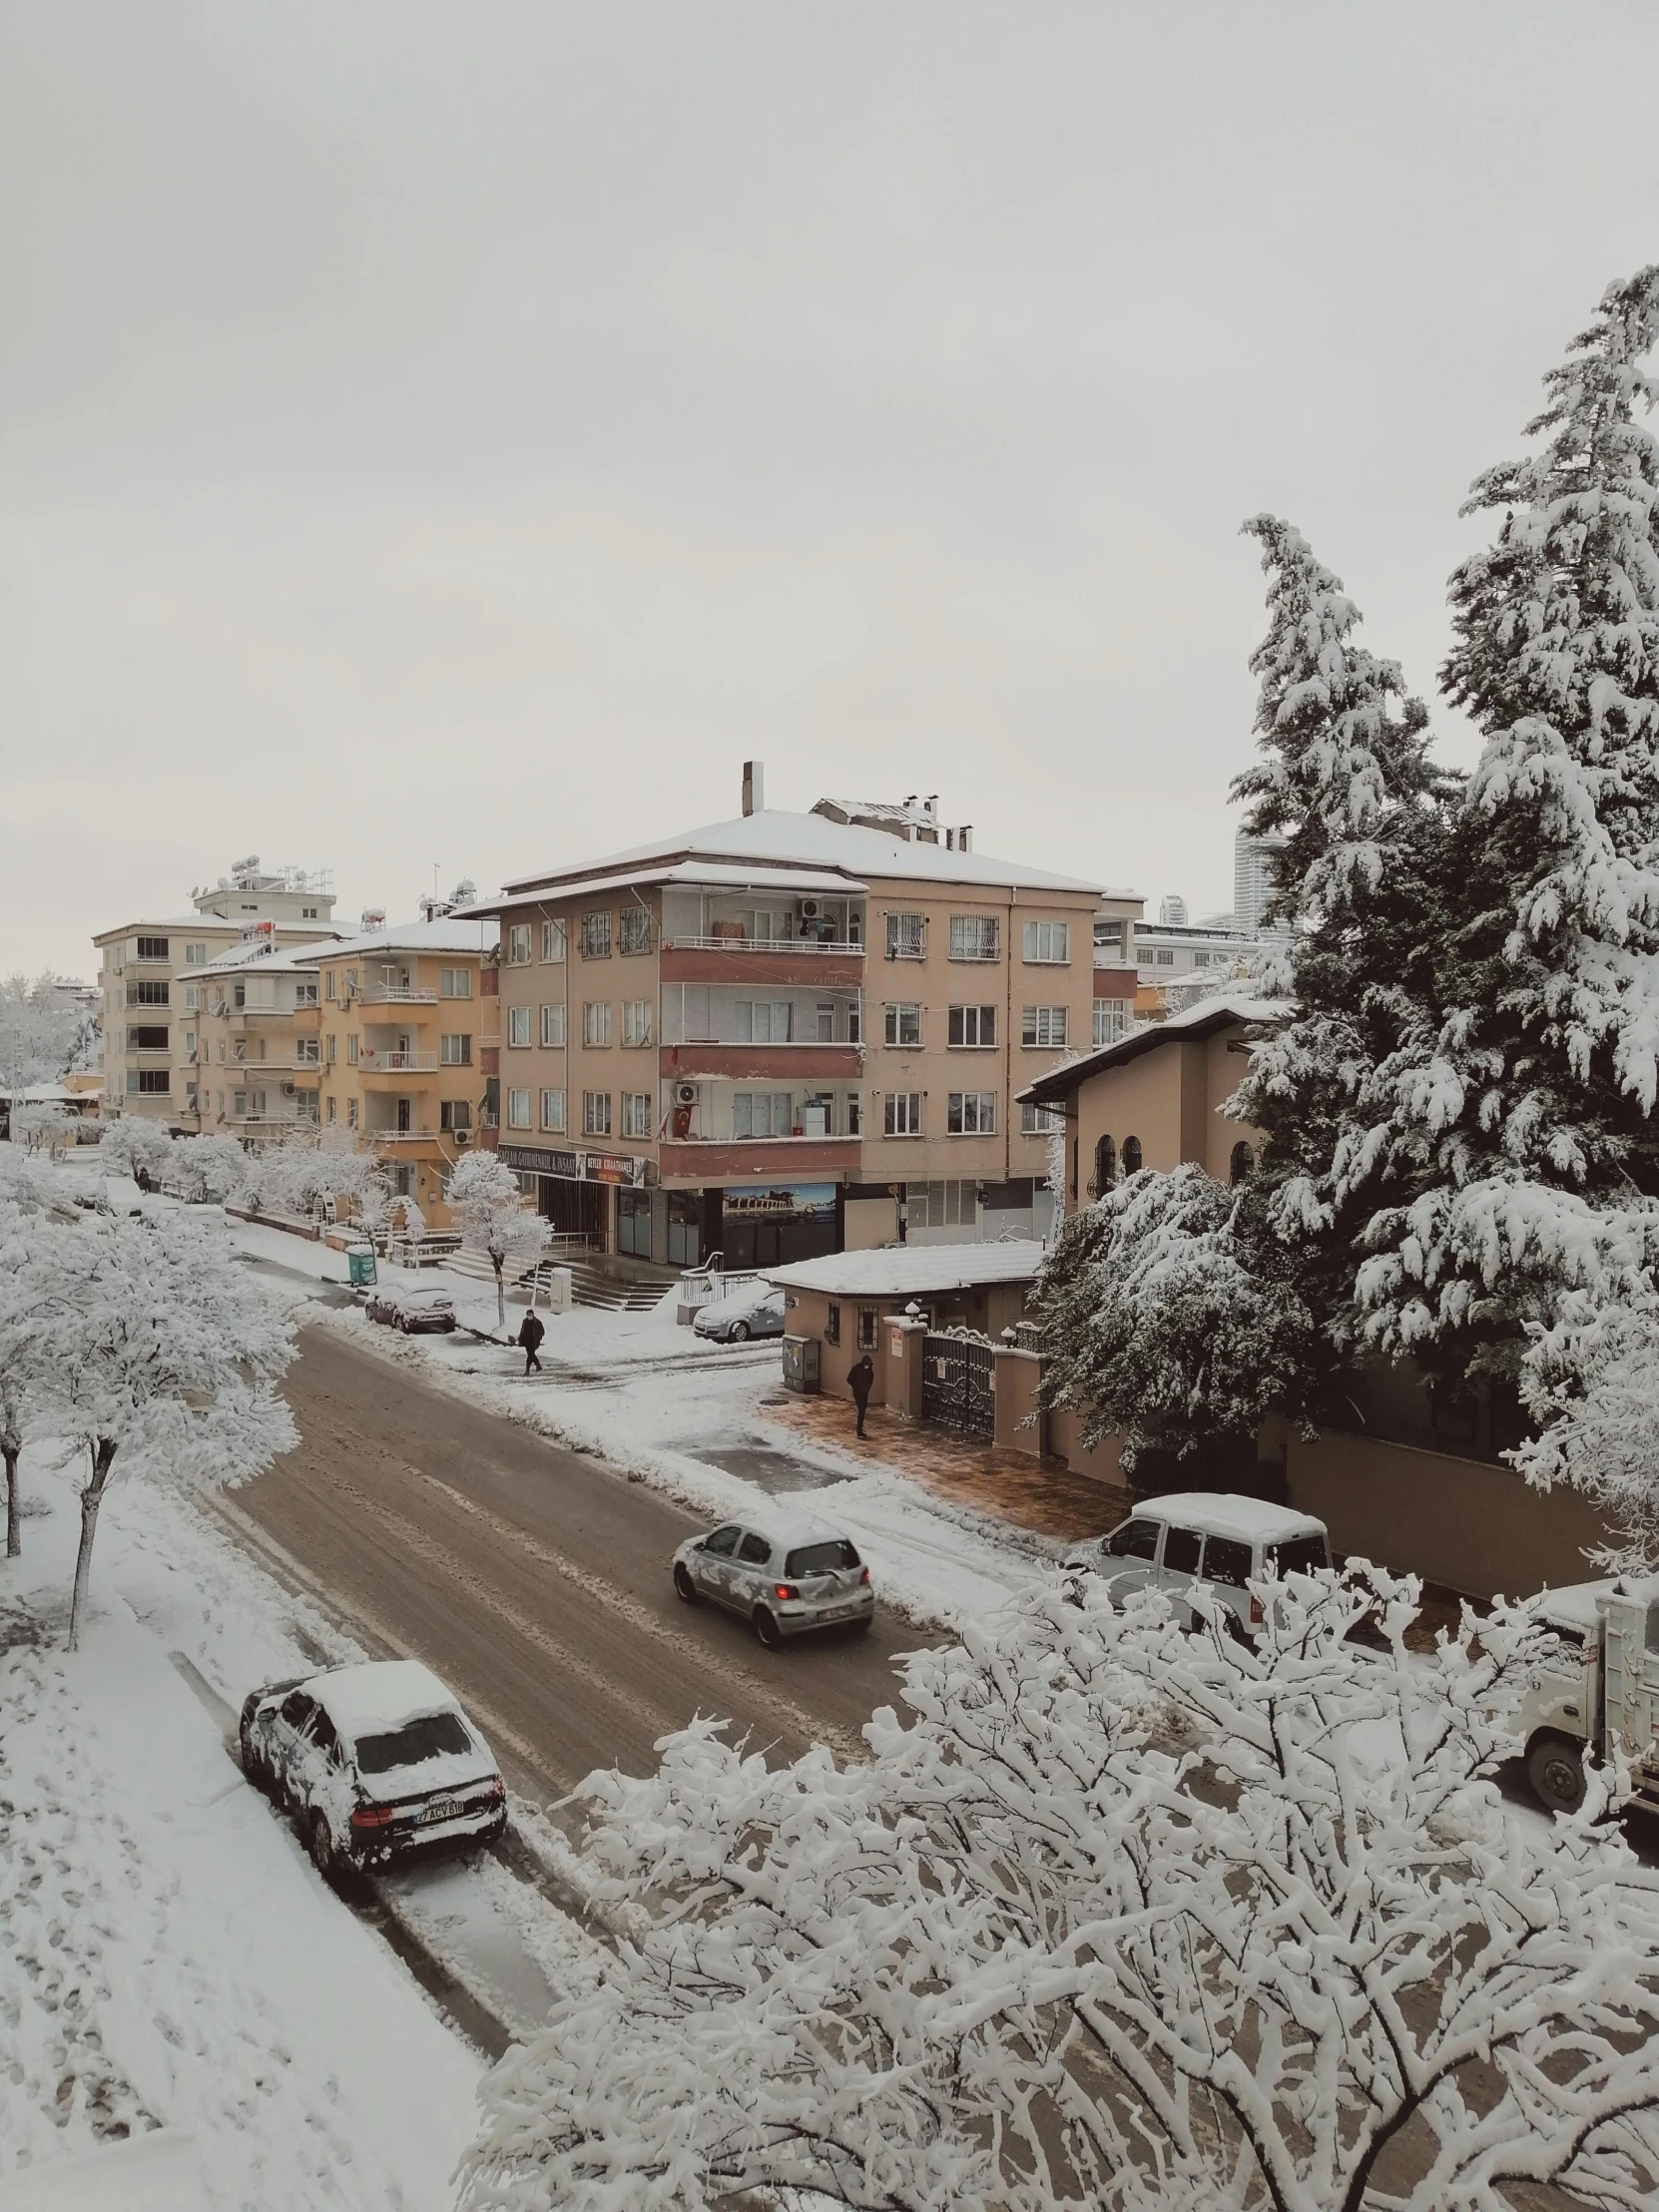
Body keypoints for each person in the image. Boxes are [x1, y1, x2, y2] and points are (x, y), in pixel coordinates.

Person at [848, 1353, 875, 1439]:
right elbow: (849, 1379)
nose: (868, 1365)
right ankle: (859, 1430)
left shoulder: (869, 1370)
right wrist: (856, 1387)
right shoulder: (857, 1368)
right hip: (858, 1392)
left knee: (863, 1411)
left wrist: (867, 1388)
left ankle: (860, 1429)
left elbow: (871, 1379)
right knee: (861, 1410)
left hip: (864, 1392)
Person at [517, 1307, 545, 1375]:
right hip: (526, 1341)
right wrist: (520, 1338)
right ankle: (538, 1366)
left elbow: (542, 1331)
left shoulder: (537, 1322)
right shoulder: (525, 1321)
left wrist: (539, 1337)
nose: (529, 1316)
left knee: (530, 1355)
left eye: (530, 1315)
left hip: (533, 1341)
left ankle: (527, 1371)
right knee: (531, 1354)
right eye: (528, 1315)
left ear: (533, 1315)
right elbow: (522, 1330)